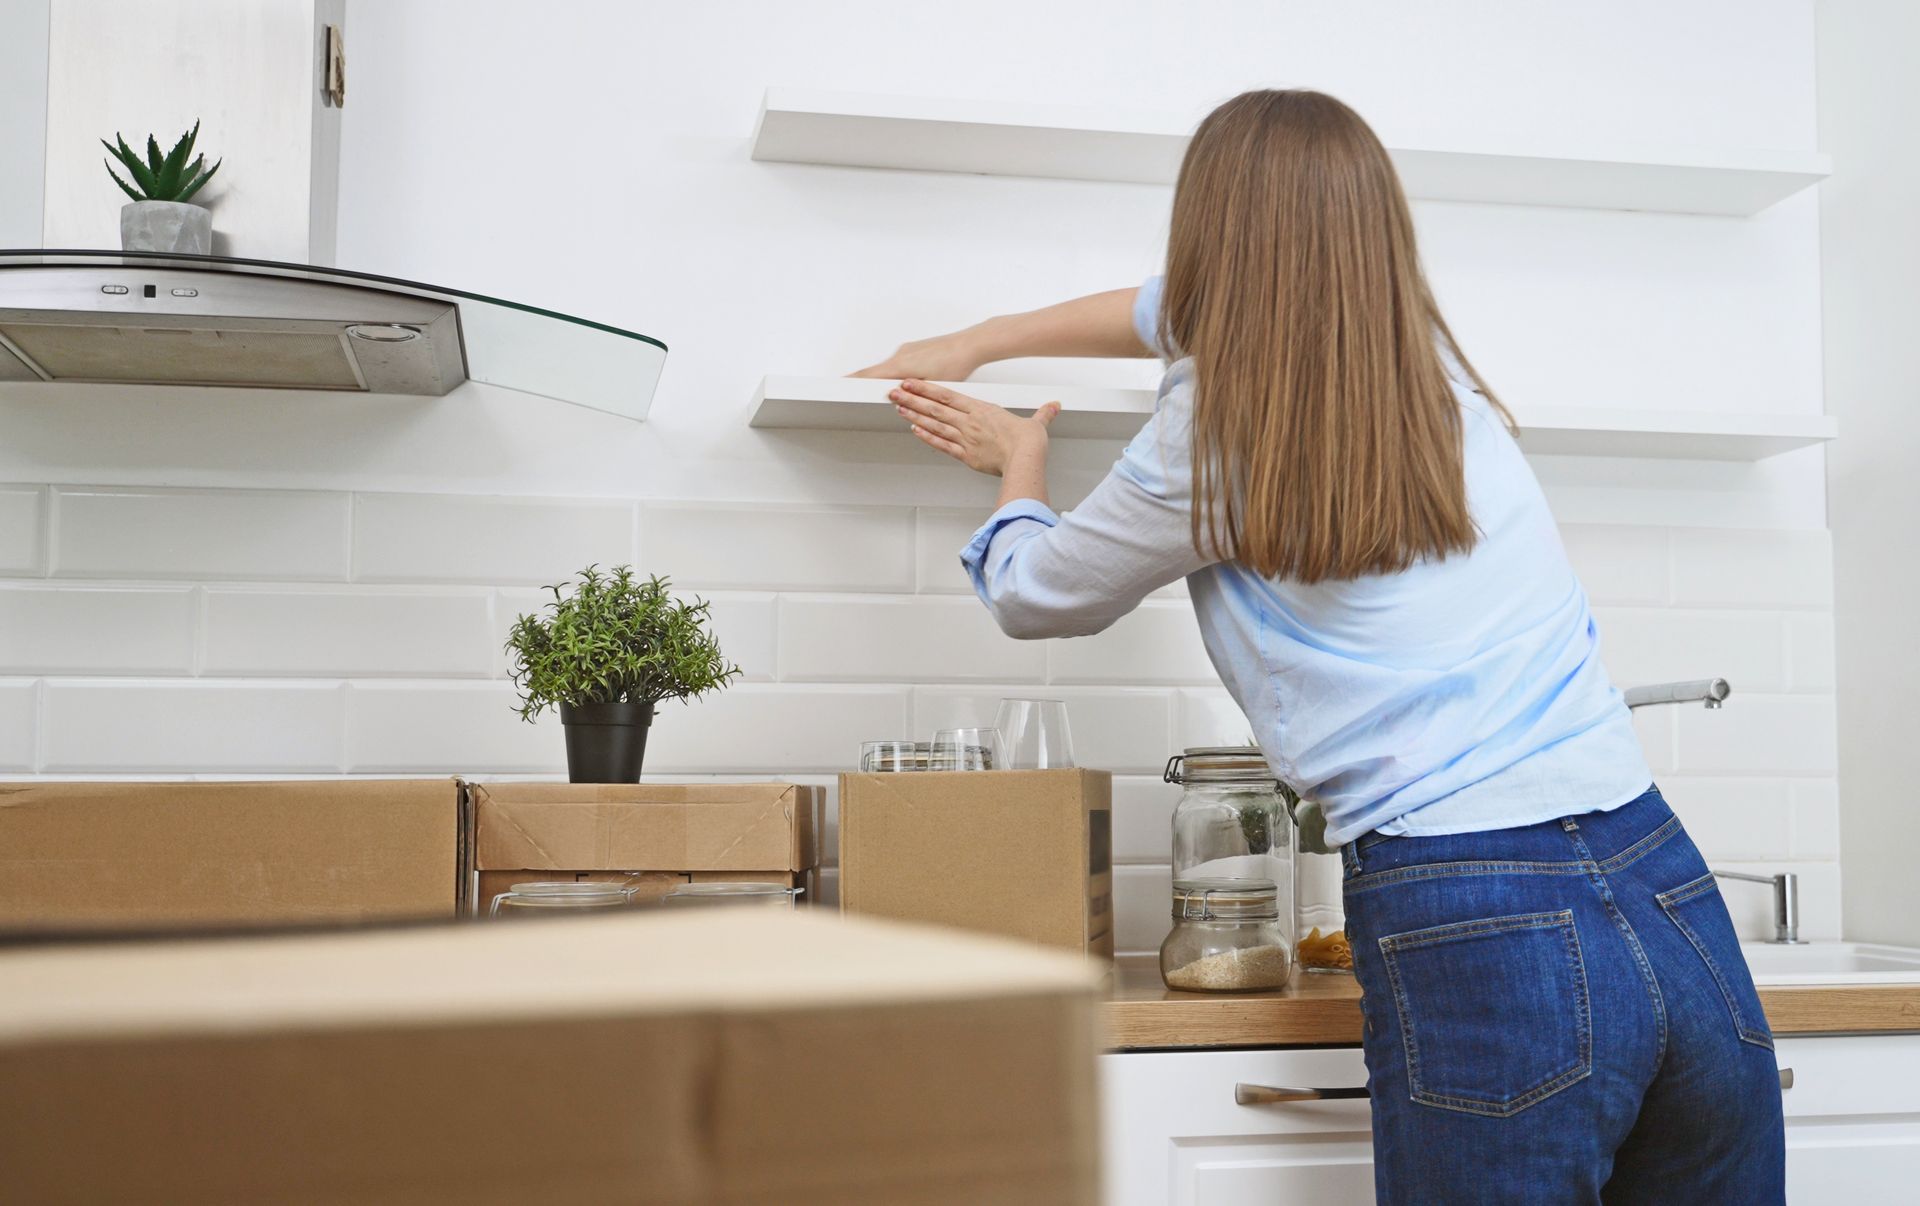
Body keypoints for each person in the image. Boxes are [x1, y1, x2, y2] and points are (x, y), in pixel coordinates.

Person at [854, 89, 1785, 1204]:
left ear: (1212, 231)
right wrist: (980, 340)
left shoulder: (1216, 434)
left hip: (1476, 908)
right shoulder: (1424, 370)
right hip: (1666, 881)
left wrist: (1017, 468)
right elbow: (1169, 310)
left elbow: (1039, 596)